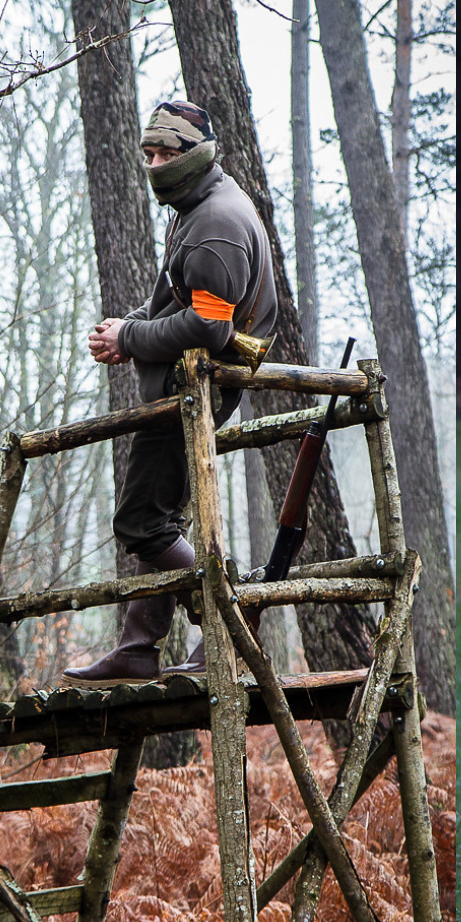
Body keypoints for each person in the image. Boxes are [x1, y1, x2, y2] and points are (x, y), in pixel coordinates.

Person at [60, 101, 279, 687]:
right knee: (158, 516)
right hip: (184, 385)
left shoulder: (213, 226)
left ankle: (230, 624)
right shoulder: (199, 205)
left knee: (140, 523)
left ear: (195, 154)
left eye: (165, 154)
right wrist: (125, 328)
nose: (154, 165)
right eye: (148, 154)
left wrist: (130, 338)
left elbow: (211, 329)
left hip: (194, 389)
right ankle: (138, 645)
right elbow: (180, 304)